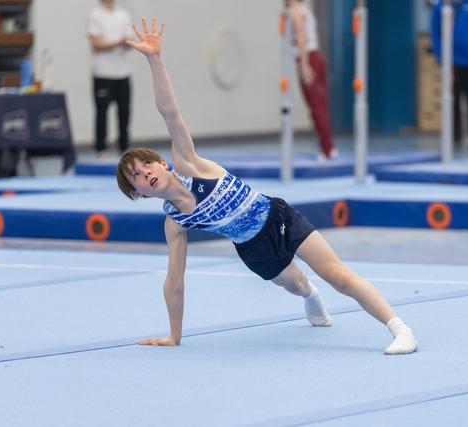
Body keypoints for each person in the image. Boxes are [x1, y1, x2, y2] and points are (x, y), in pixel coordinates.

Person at [116, 18, 418, 355]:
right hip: (252, 248)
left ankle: (399, 328)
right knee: (297, 285)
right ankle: (311, 296)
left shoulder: (189, 164)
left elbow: (169, 111)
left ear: (162, 162)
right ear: (139, 193)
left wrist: (155, 60)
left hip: (279, 218)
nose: (145, 174)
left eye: (146, 165)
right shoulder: (175, 222)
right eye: (137, 178)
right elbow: (174, 283)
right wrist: (174, 335)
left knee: (339, 276)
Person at [431, 0, 468, 148]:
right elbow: (435, 34)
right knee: (453, 101)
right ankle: (455, 138)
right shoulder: (441, 6)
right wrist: (441, 58)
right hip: (452, 63)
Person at [287, 0, 337, 160]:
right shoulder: (306, 10)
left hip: (308, 59)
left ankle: (327, 150)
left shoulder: (295, 11)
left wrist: (304, 64)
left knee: (316, 108)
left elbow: (301, 35)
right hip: (316, 56)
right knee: (321, 105)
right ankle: (328, 147)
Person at [87, 0, 132, 156]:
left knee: (124, 111)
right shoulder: (95, 14)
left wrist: (123, 43)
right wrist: (117, 43)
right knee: (102, 112)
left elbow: (129, 41)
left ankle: (124, 147)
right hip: (103, 73)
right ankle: (101, 148)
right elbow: (96, 43)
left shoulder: (123, 15)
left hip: (123, 72)